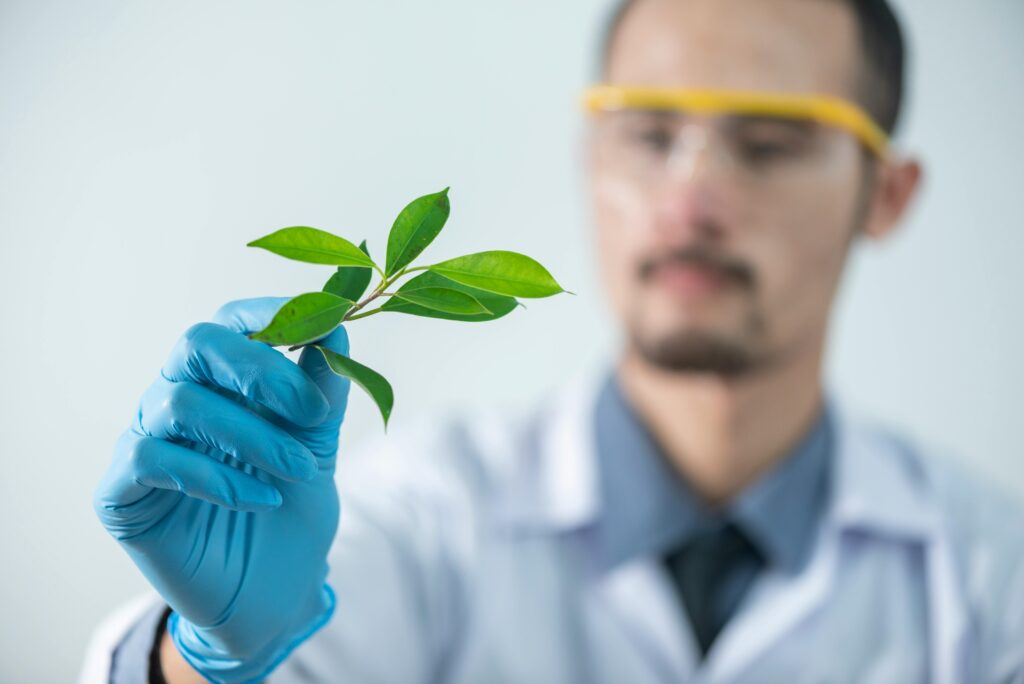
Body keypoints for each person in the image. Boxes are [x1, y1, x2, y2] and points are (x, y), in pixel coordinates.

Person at [83, 0, 1024, 682]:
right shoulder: (425, 518)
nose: (689, 202)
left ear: (886, 195)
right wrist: (198, 658)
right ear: (591, 157)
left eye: (769, 143)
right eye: (649, 136)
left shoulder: (990, 580)